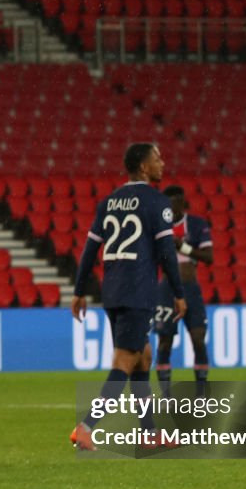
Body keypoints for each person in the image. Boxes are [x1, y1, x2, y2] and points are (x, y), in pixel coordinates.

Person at [69, 143, 186, 450]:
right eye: (157, 158)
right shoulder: (157, 202)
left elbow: (90, 249)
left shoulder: (109, 202)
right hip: (138, 291)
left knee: (142, 356)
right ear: (144, 167)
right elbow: (167, 253)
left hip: (113, 291)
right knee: (125, 360)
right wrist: (179, 293)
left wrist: (80, 290)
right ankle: (85, 427)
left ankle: (148, 434)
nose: (163, 163)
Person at [154, 185, 213, 398]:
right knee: (165, 340)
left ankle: (201, 395)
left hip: (190, 288)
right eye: (169, 203)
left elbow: (209, 257)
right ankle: (166, 396)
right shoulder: (158, 226)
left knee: (198, 338)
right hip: (166, 289)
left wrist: (184, 247)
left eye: (176, 202)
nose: (173, 206)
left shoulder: (196, 225)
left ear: (182, 201)